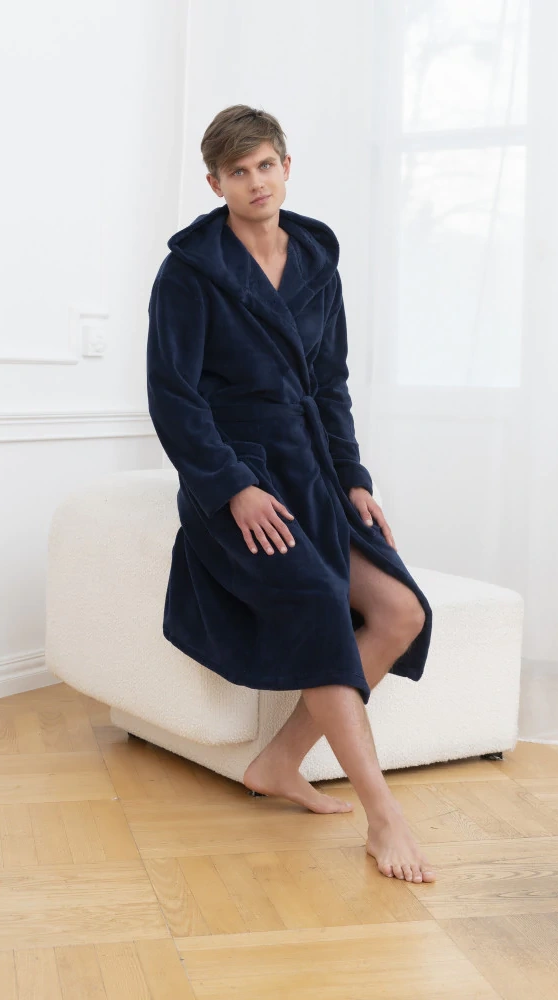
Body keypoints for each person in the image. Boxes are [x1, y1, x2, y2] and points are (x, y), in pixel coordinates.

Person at [146, 104, 435, 883]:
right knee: (314, 599)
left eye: (265, 165)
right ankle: (383, 815)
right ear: (215, 183)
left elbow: (329, 382)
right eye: (237, 172)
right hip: (237, 477)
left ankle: (277, 761)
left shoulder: (312, 258)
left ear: (285, 166)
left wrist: (353, 478)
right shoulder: (190, 271)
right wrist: (232, 487)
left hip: (309, 469)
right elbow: (174, 398)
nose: (255, 182)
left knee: (400, 611)